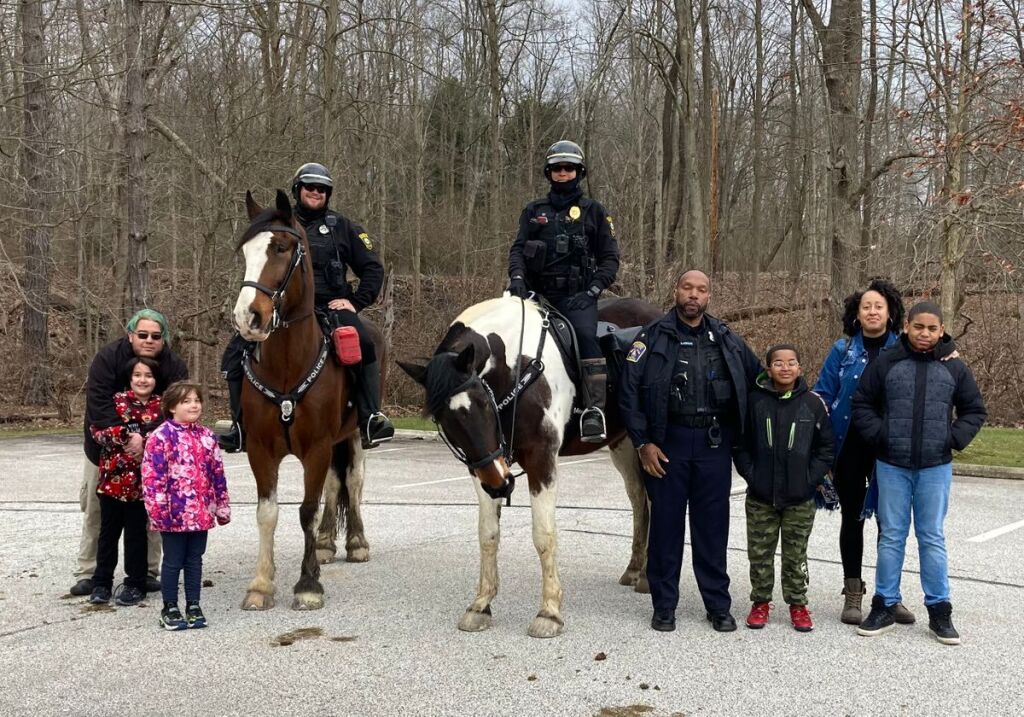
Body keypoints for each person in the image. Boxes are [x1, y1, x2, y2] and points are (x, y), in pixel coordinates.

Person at [619, 270, 761, 632]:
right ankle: (664, 606)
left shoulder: (727, 339)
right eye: (687, 288)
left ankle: (717, 605)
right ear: (675, 291)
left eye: (701, 290)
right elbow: (629, 392)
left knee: (712, 530)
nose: (693, 295)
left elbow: (759, 378)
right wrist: (642, 442)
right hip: (667, 447)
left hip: (715, 446)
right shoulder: (650, 339)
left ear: (709, 296)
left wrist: (800, 394)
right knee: (665, 529)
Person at [219, 162, 394, 451]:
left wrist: (355, 302)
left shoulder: (344, 228)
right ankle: (239, 427)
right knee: (235, 352)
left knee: (365, 341)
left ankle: (370, 417)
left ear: (328, 193)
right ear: (297, 190)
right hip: (283, 310)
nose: (315, 192)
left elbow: (373, 269)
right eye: (309, 187)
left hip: (331, 307)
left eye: (322, 188)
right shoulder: (278, 227)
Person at [852, 302, 986, 645]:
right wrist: (881, 436)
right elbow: (863, 403)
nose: (925, 334)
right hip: (892, 465)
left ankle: (940, 611)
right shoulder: (887, 363)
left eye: (932, 328)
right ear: (906, 327)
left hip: (935, 467)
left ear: (941, 330)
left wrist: (952, 439)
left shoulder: (954, 367)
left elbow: (974, 409)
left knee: (931, 537)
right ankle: (884, 604)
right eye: (918, 327)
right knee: (892, 536)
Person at [812, 278, 918, 625]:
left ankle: (889, 595)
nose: (872, 311)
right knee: (853, 519)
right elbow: (822, 397)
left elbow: (936, 362)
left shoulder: (905, 350)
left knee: (891, 524)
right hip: (849, 448)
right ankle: (853, 593)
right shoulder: (841, 351)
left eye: (879, 307)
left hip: (890, 449)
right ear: (857, 315)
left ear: (890, 314)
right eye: (866, 307)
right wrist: (820, 443)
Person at [70, 309, 189, 597]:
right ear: (130, 334)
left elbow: (176, 409)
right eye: (143, 334)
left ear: (164, 339)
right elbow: (98, 406)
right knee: (97, 512)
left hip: (153, 454)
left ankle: (146, 571)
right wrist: (127, 440)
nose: (149, 340)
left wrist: (147, 441)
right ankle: (90, 572)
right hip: (104, 452)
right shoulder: (107, 359)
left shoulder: (174, 366)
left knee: (149, 514)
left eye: (156, 336)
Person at [507, 140, 620, 442]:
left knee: (585, 337)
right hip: (536, 295)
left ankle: (594, 411)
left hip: (576, 297)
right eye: (557, 168)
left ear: (578, 172)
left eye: (568, 168)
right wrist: (517, 278)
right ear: (549, 172)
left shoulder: (594, 211)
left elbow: (610, 259)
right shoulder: (533, 211)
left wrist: (594, 289)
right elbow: (517, 250)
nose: (562, 173)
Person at [733, 345, 835, 632]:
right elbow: (740, 446)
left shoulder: (813, 404)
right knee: (759, 554)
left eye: (792, 362)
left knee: (796, 555)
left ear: (800, 368)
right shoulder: (755, 402)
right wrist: (753, 476)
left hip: (799, 498)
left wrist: (809, 480)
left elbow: (826, 448)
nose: (785, 368)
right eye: (778, 363)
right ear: (768, 369)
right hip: (761, 497)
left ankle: (798, 605)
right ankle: (760, 602)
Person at [142, 381, 231, 631]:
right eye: (186, 401)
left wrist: (221, 506)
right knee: (173, 560)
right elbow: (152, 478)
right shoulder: (160, 437)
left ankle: (194, 605)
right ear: (171, 407)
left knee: (195, 560)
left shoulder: (207, 437)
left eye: (196, 400)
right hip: (173, 513)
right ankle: (169, 607)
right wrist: (158, 511)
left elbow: (217, 474)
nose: (193, 405)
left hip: (200, 512)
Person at [87, 357, 165, 607]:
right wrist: (123, 435)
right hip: (112, 482)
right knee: (107, 535)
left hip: (142, 487)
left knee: (137, 536)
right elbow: (97, 431)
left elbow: (167, 435)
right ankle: (102, 582)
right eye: (138, 375)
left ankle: (135, 583)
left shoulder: (161, 406)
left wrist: (145, 440)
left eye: (148, 376)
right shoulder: (116, 402)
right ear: (129, 379)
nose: (143, 380)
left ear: (156, 380)